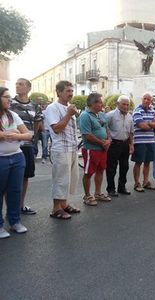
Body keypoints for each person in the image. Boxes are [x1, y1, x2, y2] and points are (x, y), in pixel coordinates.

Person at [45, 81, 80, 219]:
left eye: (72, 91)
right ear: (58, 92)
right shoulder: (52, 108)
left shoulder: (69, 108)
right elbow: (57, 129)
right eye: (67, 91)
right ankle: (56, 209)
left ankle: (64, 205)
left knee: (70, 179)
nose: (71, 94)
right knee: (60, 179)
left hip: (72, 148)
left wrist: (70, 112)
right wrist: (69, 114)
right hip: (60, 149)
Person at [0, 87, 32, 238]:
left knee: (15, 190)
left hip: (17, 157)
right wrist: (14, 134)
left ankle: (15, 221)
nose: (10, 100)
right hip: (1, 159)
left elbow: (28, 135)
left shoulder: (12, 115)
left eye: (9, 97)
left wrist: (17, 135)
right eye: (6, 97)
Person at [10, 78, 43, 215]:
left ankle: (21, 206)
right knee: (10, 177)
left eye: (21, 84)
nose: (17, 86)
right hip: (12, 145)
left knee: (25, 176)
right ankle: (11, 208)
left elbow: (38, 124)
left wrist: (33, 137)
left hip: (28, 145)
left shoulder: (35, 106)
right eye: (16, 84)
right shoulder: (9, 103)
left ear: (28, 88)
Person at [80, 93, 111, 205]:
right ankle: (87, 196)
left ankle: (98, 193)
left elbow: (107, 129)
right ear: (93, 103)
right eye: (100, 102)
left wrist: (109, 140)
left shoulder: (102, 114)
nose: (102, 104)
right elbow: (86, 134)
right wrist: (102, 142)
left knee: (100, 170)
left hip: (102, 149)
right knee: (88, 173)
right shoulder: (85, 115)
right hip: (91, 149)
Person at [105, 95, 134, 197]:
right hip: (114, 144)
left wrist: (131, 145)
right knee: (111, 168)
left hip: (125, 144)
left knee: (124, 167)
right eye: (123, 104)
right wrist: (107, 139)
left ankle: (122, 187)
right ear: (118, 104)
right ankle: (111, 189)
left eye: (127, 104)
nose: (126, 106)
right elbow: (104, 127)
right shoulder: (110, 115)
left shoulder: (130, 116)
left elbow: (131, 132)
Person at [132, 92, 155, 192]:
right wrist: (151, 124)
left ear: (151, 101)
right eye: (145, 99)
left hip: (150, 140)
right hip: (139, 141)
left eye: (149, 99)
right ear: (142, 99)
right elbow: (141, 126)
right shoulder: (137, 111)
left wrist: (148, 123)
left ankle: (146, 181)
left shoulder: (153, 110)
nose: (147, 101)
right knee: (138, 162)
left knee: (148, 162)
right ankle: (136, 183)